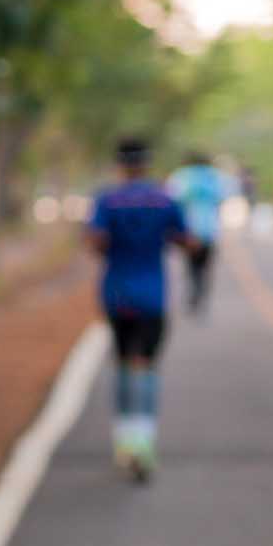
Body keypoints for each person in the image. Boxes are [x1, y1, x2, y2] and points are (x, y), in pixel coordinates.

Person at [87, 138, 195, 482]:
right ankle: (144, 441)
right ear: (147, 163)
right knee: (146, 365)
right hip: (152, 295)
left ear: (120, 164)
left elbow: (95, 241)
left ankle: (123, 442)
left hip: (116, 293)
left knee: (120, 361)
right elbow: (187, 240)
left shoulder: (107, 199)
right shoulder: (165, 199)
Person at [166, 151, 232, 315]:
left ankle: (195, 291)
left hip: (188, 229)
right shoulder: (215, 177)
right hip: (209, 229)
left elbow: (172, 201)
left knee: (191, 264)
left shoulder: (182, 176)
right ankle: (200, 291)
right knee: (205, 265)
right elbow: (223, 199)